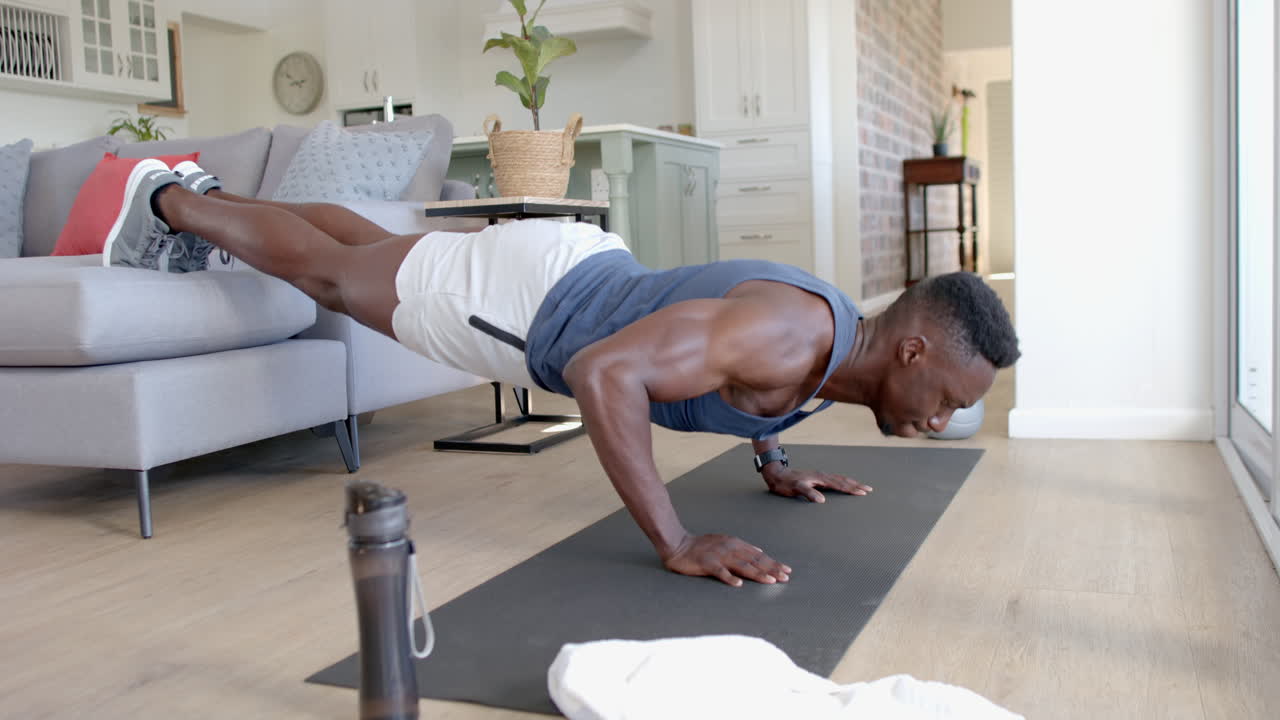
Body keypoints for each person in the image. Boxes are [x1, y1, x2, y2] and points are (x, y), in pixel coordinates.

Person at [105, 159, 1021, 587]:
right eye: (948, 400)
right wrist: (674, 538)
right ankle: (168, 200)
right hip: (535, 307)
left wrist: (772, 462)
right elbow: (604, 373)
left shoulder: (831, 347)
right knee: (335, 279)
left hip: (570, 267)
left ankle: (206, 191)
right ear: (912, 352)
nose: (940, 421)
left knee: (380, 249)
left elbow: (746, 382)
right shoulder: (790, 336)